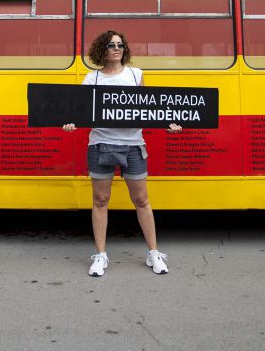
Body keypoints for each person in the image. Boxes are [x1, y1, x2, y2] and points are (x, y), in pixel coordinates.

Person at [63, 30, 181, 277]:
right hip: (101, 145)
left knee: (142, 200)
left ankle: (153, 253)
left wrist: (167, 123)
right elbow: (80, 109)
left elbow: (148, 108)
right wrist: (72, 122)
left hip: (133, 146)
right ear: (102, 50)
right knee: (100, 201)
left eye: (119, 44)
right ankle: (101, 255)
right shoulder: (92, 77)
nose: (116, 48)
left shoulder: (135, 74)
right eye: (111, 45)